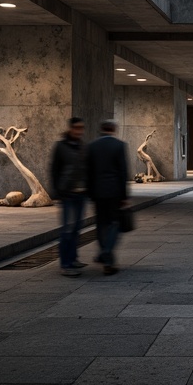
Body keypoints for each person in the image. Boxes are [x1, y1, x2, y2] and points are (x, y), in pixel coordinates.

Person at [86, 119, 129, 275]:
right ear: (114, 129)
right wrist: (124, 195)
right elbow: (123, 172)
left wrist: (90, 191)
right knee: (114, 224)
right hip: (114, 192)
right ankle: (106, 252)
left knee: (100, 224)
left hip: (97, 192)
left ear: (102, 129)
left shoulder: (92, 146)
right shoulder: (119, 145)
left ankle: (106, 256)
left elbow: (88, 171)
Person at [50, 116, 86, 276]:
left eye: (81, 128)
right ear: (70, 129)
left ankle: (73, 258)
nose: (79, 131)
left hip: (81, 194)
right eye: (77, 128)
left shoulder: (82, 146)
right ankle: (65, 264)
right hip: (67, 194)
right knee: (67, 229)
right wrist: (57, 192)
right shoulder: (60, 146)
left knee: (77, 228)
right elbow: (54, 170)